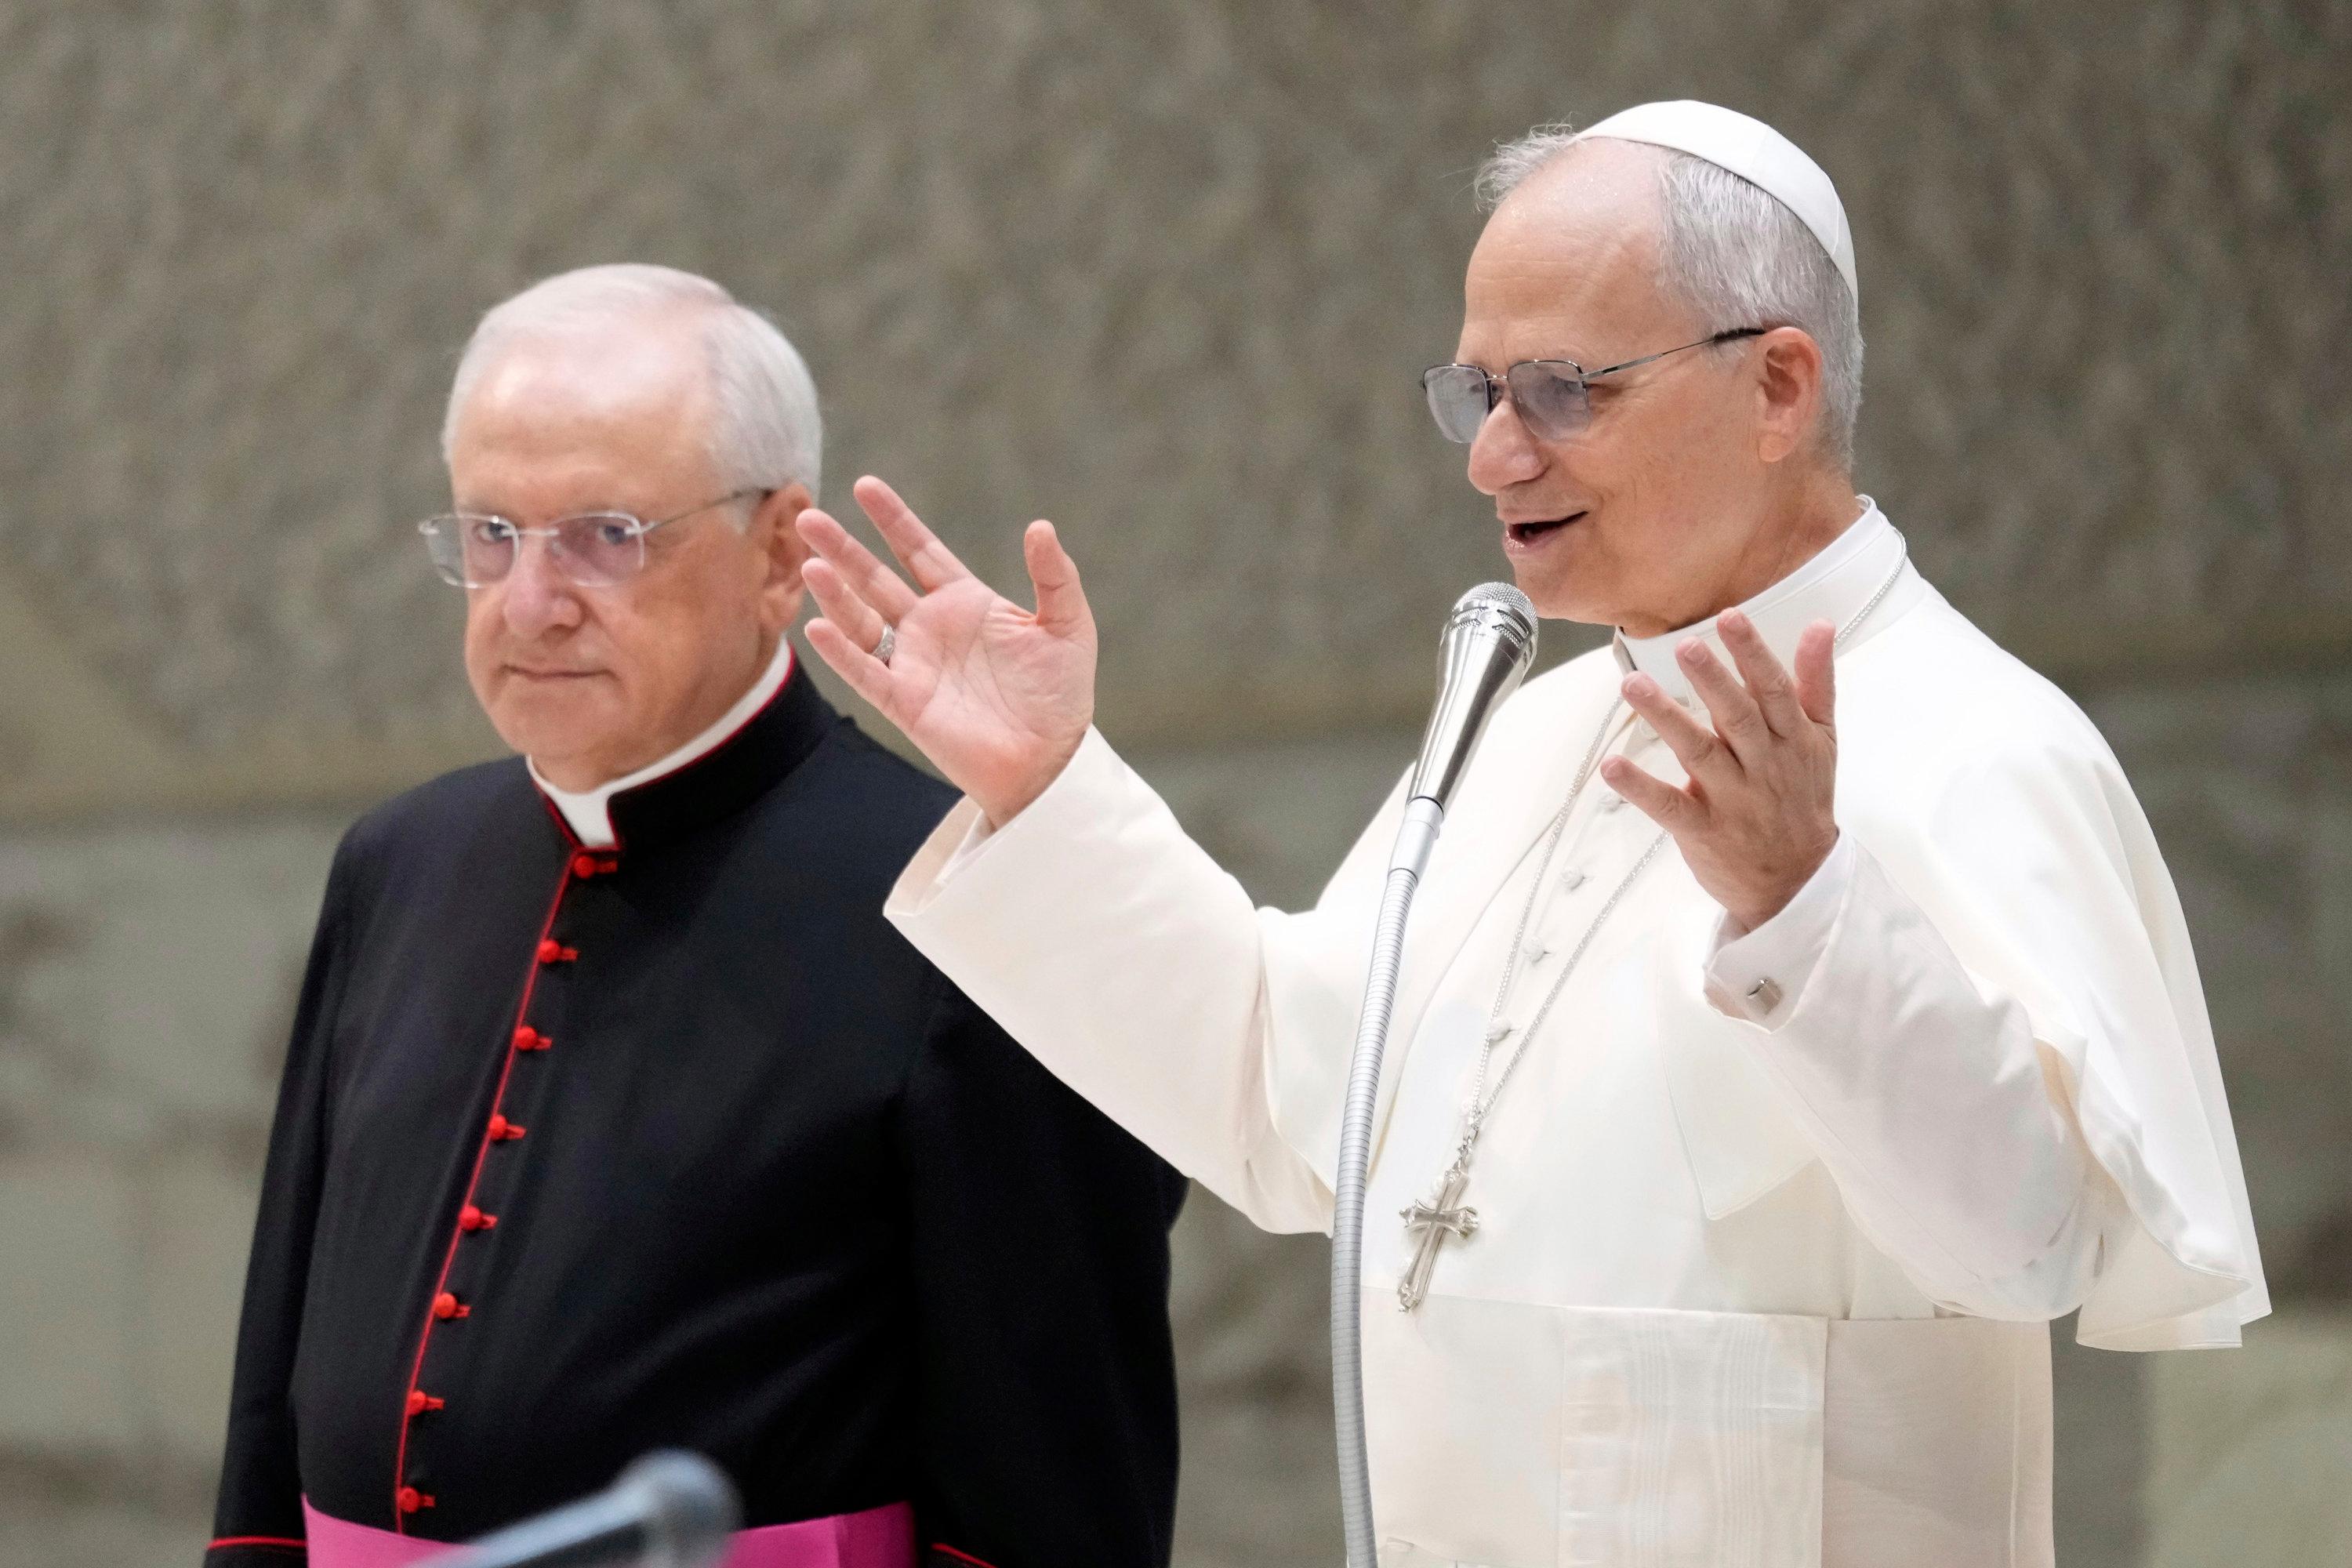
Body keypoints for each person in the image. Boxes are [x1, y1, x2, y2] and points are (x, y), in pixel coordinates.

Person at [791, 103, 2267, 1567]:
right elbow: (1285, 1102)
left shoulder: (1979, 740)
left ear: (1778, 387)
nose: (1494, 458)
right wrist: (1049, 789)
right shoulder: (1538, 729)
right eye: (1477, 393)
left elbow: (2028, 1248)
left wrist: (1804, 905)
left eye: (1563, 390)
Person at [205, 265, 1186, 1568]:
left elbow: (1056, 1495)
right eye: (491, 534)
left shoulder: (967, 907)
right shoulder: (397, 864)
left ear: (779, 553)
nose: (531, 601)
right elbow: (271, 1402)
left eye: (604, 535)